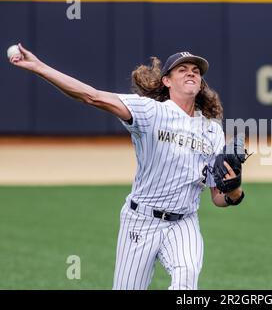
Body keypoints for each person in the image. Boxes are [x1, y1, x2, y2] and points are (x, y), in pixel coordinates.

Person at [10, 44, 246, 290]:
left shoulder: (212, 131)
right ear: (166, 81)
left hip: (183, 223)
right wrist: (39, 67)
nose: (191, 73)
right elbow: (92, 95)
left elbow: (219, 197)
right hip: (140, 220)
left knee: (186, 280)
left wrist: (234, 190)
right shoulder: (150, 111)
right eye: (182, 69)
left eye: (196, 71)